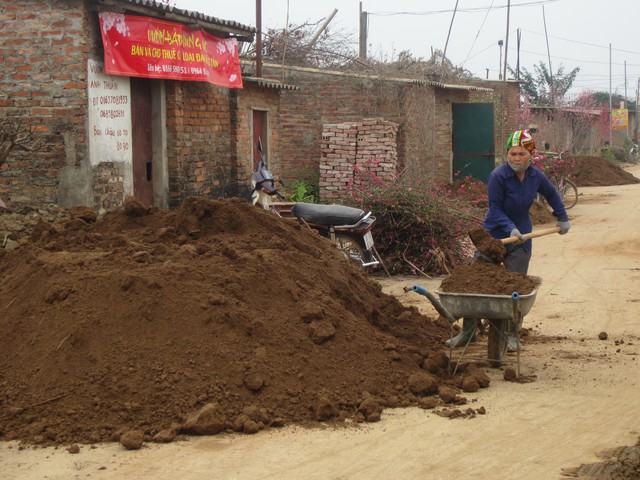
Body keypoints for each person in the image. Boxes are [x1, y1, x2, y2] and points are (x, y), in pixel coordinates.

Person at [447, 129, 571, 350]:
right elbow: (494, 209)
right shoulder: (498, 176)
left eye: (521, 154)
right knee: (476, 285)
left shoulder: (536, 176)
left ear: (530, 155)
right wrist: (510, 229)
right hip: (493, 236)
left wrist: (562, 218)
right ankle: (468, 332)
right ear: (507, 154)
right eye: (512, 154)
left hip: (522, 236)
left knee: (516, 288)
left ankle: (512, 334)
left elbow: (551, 194)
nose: (516, 158)